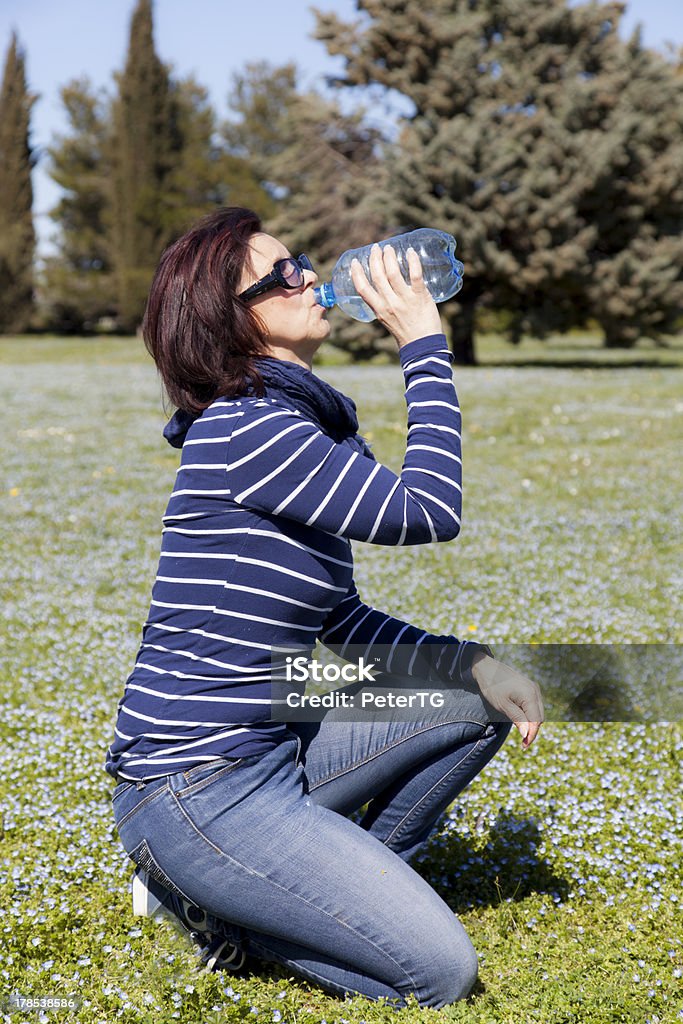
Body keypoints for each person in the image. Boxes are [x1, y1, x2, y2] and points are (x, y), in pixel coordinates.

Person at [105, 206, 543, 1010]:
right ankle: (220, 913)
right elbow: (427, 511)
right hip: (195, 787)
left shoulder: (297, 423)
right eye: (281, 275)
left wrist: (471, 663)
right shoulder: (246, 429)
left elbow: (339, 617)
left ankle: (328, 885)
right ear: (227, 322)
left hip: (271, 743)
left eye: (298, 260)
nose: (308, 277)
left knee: (471, 694)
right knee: (438, 974)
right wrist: (421, 344)